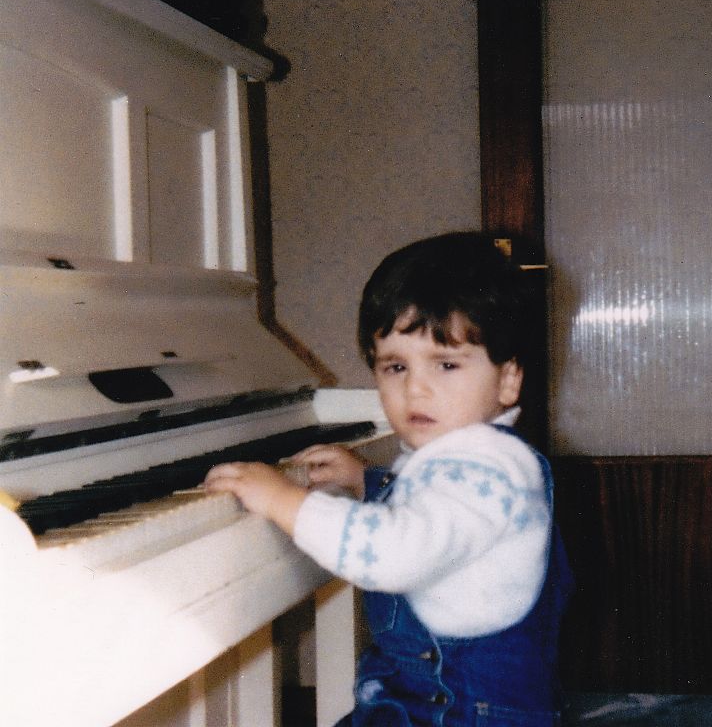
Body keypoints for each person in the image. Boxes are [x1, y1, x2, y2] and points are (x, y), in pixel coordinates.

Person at [205, 232, 572, 726]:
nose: (415, 388)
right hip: (430, 696)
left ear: (508, 380)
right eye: (395, 366)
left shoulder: (486, 469)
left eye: (446, 364)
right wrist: (368, 482)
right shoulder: (469, 457)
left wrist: (284, 501)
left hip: (460, 710)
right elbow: (436, 516)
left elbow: (399, 554)